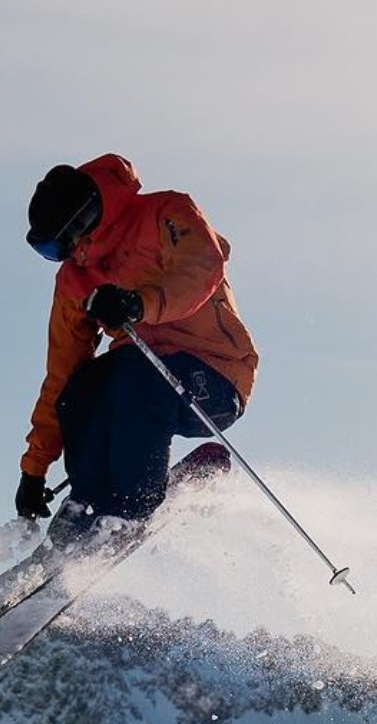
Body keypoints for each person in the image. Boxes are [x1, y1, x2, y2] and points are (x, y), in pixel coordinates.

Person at [14, 154, 259, 546]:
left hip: (215, 377)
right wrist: (35, 468)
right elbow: (62, 371)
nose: (65, 256)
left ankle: (129, 507)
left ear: (81, 221)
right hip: (139, 375)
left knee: (135, 378)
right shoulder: (75, 278)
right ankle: (86, 504)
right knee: (83, 388)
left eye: (57, 246)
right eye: (50, 251)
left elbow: (203, 268)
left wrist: (137, 303)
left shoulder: (165, 213)